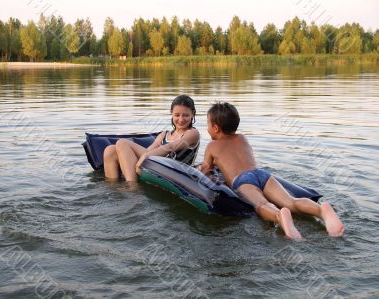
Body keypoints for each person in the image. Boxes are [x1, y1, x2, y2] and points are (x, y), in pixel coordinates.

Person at [199, 102, 344, 240]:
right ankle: (321, 211)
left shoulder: (212, 146)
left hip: (242, 181)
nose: (207, 128)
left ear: (216, 128)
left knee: (262, 205)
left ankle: (280, 217)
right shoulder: (242, 138)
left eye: (208, 124)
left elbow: (205, 171)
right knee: (291, 201)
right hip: (262, 174)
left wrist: (204, 169)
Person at [103, 95, 200, 182]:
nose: (181, 119)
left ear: (192, 114)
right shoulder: (164, 134)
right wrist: (143, 155)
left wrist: (145, 157)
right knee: (110, 150)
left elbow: (171, 147)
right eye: (177, 115)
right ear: (171, 114)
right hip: (154, 165)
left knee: (122, 143)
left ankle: (132, 188)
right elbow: (148, 150)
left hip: (172, 170)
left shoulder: (192, 133)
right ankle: (113, 186)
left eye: (186, 115)